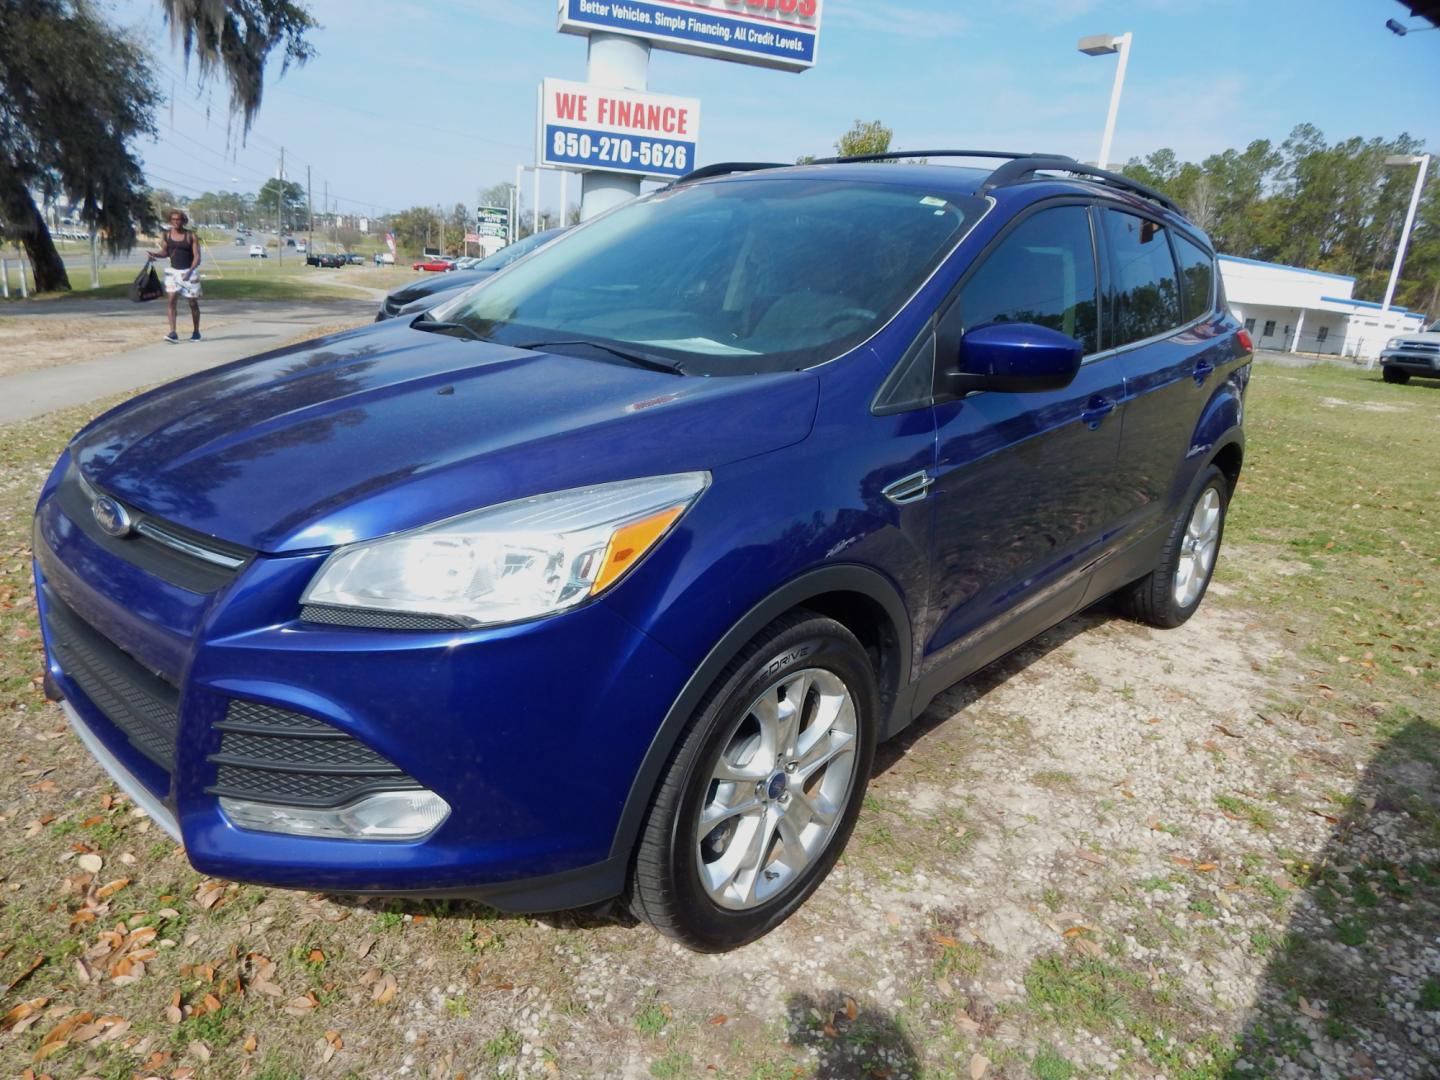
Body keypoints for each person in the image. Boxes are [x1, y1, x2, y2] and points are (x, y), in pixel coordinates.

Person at [148, 209, 203, 342]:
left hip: (189, 272)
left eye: (178, 219)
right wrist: (155, 255)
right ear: (170, 221)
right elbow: (165, 252)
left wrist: (190, 272)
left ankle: (196, 332)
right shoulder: (167, 235)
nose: (176, 222)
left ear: (183, 221)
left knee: (193, 303)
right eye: (173, 220)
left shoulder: (191, 236)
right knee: (171, 301)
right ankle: (173, 332)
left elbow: (197, 257)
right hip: (173, 273)